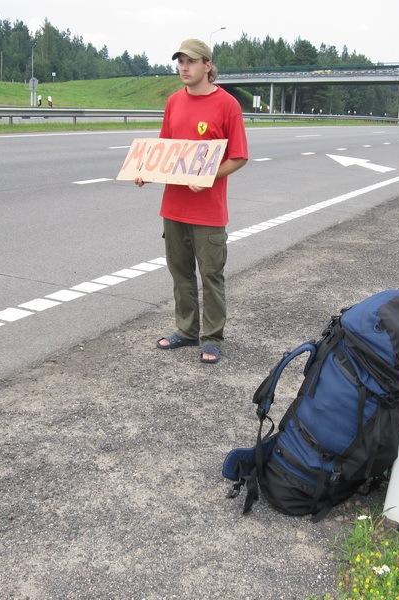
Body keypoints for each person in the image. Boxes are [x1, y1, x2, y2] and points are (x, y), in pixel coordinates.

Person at [135, 38, 248, 364]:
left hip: (209, 211)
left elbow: (239, 157)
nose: (184, 67)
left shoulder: (227, 105)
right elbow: (164, 152)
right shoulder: (174, 102)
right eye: (180, 61)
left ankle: (212, 338)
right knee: (180, 272)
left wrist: (210, 176)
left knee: (211, 276)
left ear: (208, 65)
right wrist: (145, 171)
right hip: (174, 206)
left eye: (191, 61)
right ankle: (186, 330)